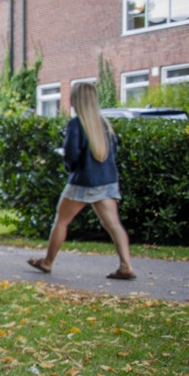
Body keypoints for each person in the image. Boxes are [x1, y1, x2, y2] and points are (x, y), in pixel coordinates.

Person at [27, 82, 136, 280]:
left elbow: (71, 155)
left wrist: (70, 167)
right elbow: (113, 153)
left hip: (83, 182)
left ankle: (47, 262)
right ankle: (126, 265)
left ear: (76, 100)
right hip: (108, 180)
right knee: (113, 224)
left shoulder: (76, 125)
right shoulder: (105, 125)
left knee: (61, 221)